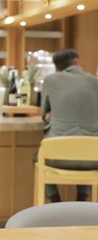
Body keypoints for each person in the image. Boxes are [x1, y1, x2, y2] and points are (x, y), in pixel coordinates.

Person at [39, 48, 98, 202]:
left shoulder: (50, 80)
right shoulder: (95, 82)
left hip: (58, 156)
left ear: (56, 67)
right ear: (77, 62)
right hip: (93, 157)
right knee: (84, 148)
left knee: (38, 158)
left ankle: (56, 202)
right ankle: (81, 201)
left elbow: (44, 113)